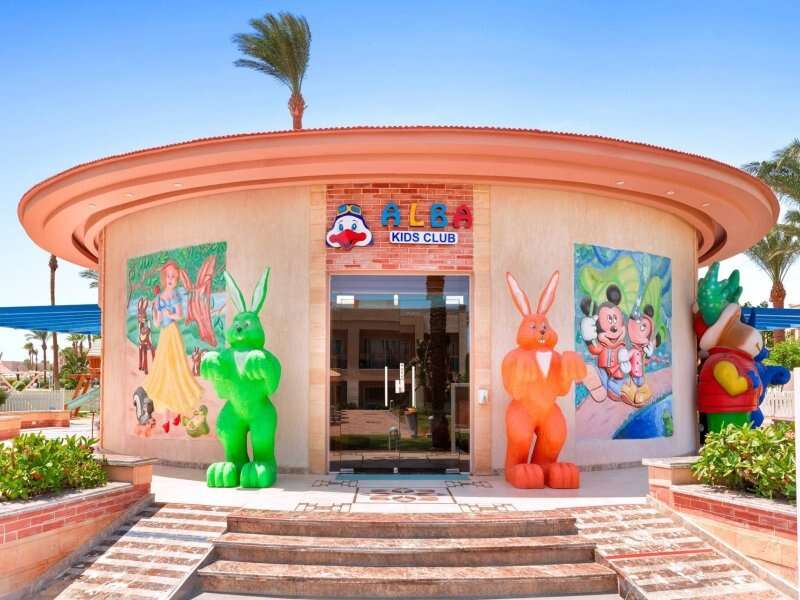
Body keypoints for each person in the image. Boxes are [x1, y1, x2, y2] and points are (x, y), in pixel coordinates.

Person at [143, 260, 202, 433]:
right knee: (165, 373)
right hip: (164, 336)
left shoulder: (175, 295)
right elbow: (157, 323)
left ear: (176, 280)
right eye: (168, 276)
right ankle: (168, 417)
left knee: (176, 371)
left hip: (173, 335)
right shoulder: (159, 298)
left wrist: (170, 313)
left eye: (173, 277)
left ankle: (178, 411)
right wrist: (155, 314)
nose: (170, 279)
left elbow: (179, 315)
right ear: (164, 278)